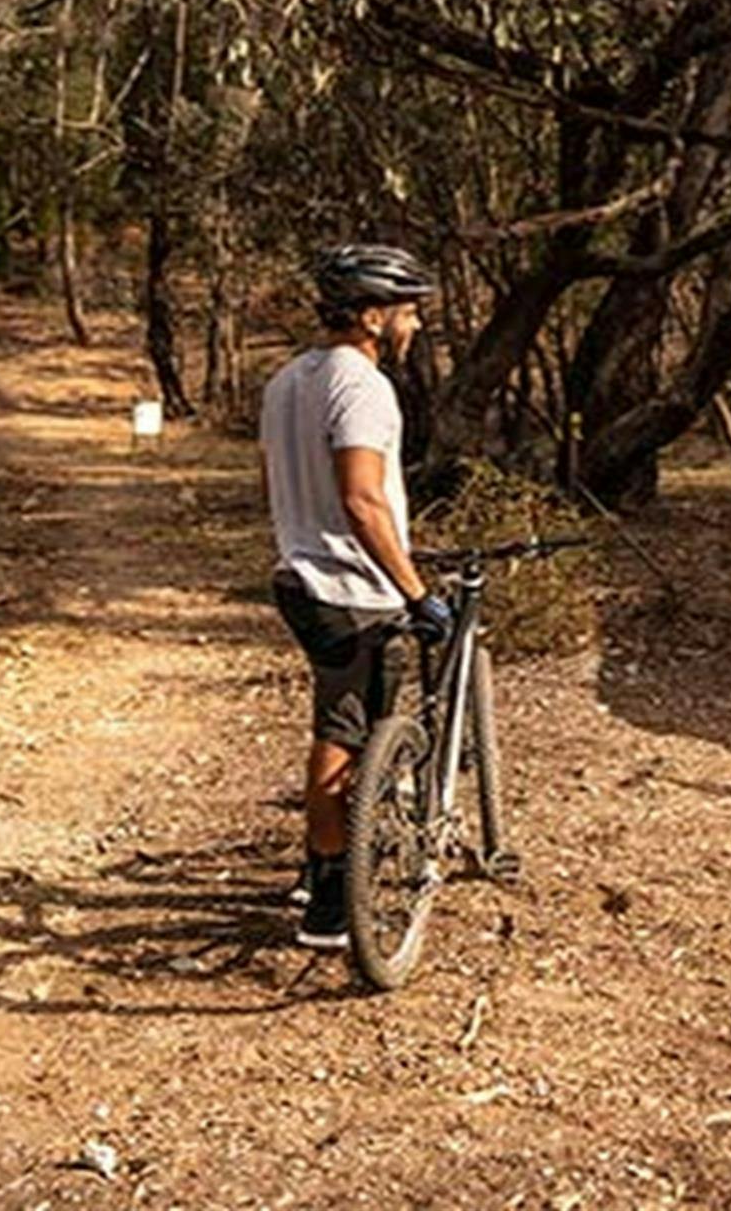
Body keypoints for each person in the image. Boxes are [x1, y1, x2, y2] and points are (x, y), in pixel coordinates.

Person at [260, 244, 452, 949]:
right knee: (345, 736)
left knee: (351, 726)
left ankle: (319, 868)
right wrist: (415, 590)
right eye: (408, 312)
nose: (417, 327)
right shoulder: (363, 385)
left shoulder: (288, 380)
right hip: (352, 586)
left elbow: (281, 480)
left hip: (299, 573)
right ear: (373, 316)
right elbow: (362, 499)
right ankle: (332, 897)